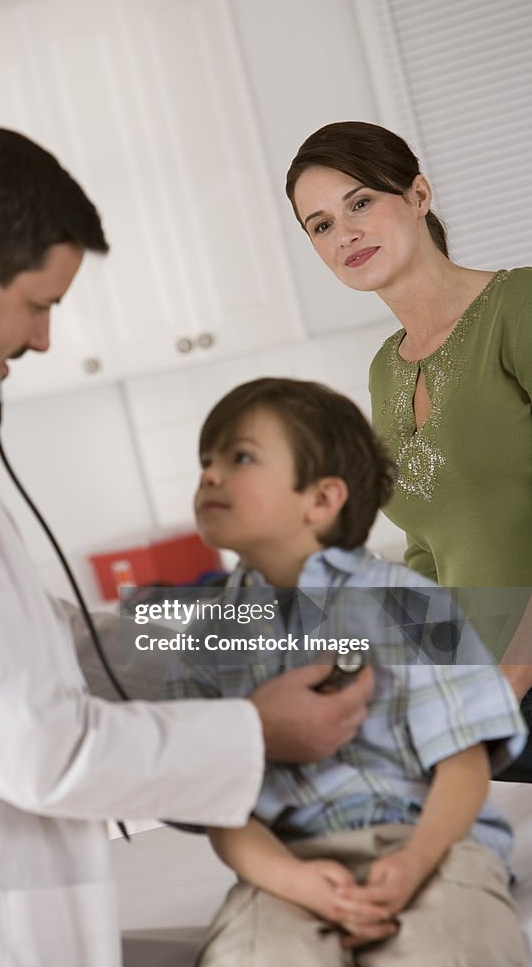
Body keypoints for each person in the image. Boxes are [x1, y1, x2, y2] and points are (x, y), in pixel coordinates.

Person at [0, 123, 375, 967]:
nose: (44, 340)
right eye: (41, 305)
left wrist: (224, 641)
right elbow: (35, 745)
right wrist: (252, 730)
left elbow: (37, 638)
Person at [167, 377, 528, 966]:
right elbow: (221, 805)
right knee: (252, 956)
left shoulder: (408, 601)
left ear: (322, 499)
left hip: (433, 846)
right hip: (287, 866)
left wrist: (415, 862)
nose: (209, 474)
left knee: (446, 948)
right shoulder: (206, 639)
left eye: (240, 457)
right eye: (207, 460)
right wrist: (293, 881)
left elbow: (463, 761)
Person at [285, 121, 532, 779]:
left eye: (360, 203)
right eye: (320, 225)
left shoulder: (519, 306)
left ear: (418, 195)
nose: (345, 234)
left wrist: (514, 667)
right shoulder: (384, 368)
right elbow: (430, 549)